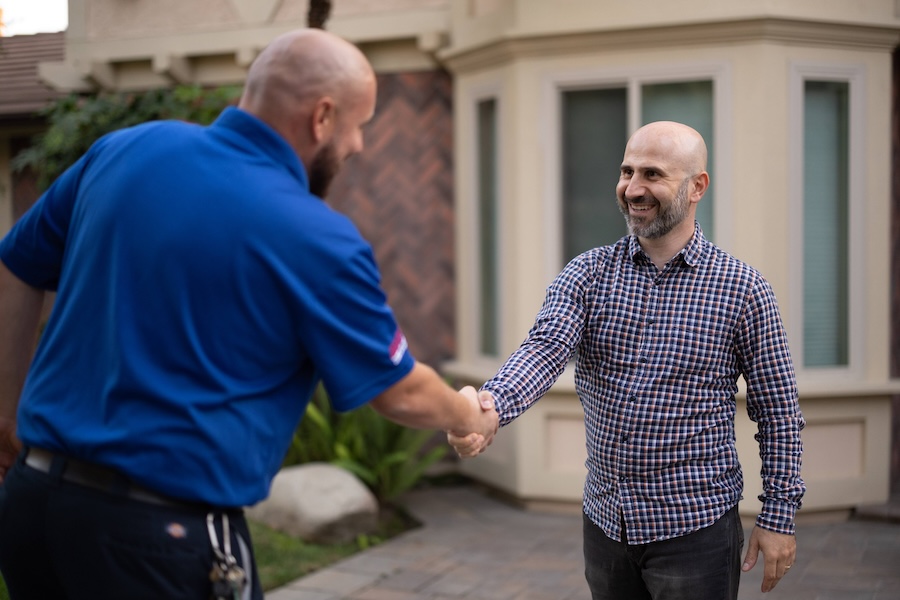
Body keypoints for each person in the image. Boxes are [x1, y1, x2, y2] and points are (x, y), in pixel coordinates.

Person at [0, 28, 497, 600]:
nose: (359, 145)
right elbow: (400, 392)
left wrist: (7, 416)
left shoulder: (124, 151)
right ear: (322, 117)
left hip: (32, 509)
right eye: (359, 125)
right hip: (159, 538)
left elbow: (16, 265)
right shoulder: (315, 237)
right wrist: (466, 416)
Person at [451, 121, 804, 598]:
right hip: (606, 524)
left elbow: (778, 408)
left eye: (653, 174)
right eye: (626, 171)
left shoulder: (742, 289)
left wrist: (778, 515)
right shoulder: (588, 274)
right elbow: (544, 348)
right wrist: (491, 406)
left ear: (697, 186)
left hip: (695, 529)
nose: (633, 189)